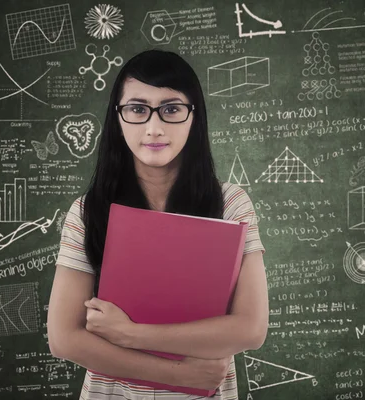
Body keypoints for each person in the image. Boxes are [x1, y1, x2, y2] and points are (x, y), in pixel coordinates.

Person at [47, 49, 269, 400]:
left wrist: (129, 333)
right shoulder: (88, 212)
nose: (154, 128)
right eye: (137, 109)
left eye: (171, 109)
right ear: (117, 117)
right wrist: (181, 375)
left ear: (194, 116)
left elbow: (251, 329)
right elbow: (63, 338)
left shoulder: (230, 204)